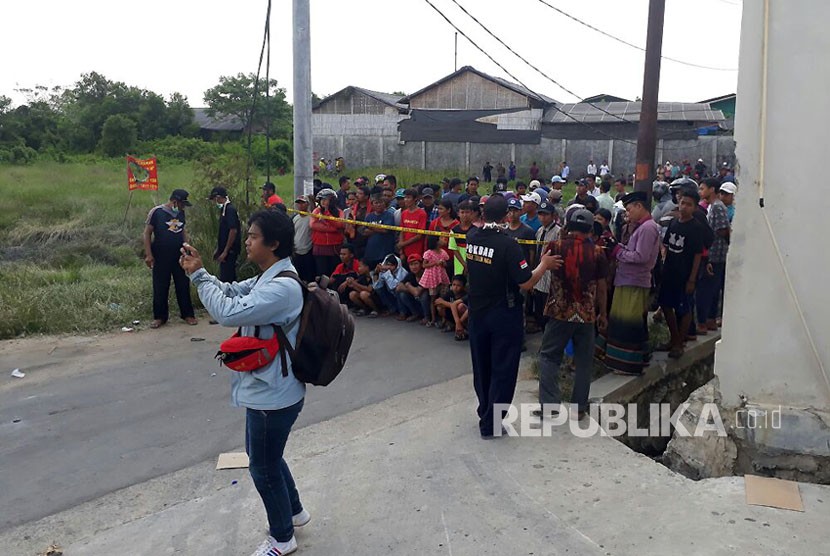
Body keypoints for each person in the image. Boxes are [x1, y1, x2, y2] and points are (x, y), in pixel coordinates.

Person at [179, 210, 309, 556]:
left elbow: (228, 313)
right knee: (267, 457)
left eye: (252, 236)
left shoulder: (281, 288)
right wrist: (203, 273)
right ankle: (294, 512)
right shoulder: (269, 277)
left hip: (273, 395)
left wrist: (197, 278)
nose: (247, 242)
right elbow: (232, 292)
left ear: (274, 243)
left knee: (263, 467)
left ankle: (282, 538)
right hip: (269, 388)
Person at [465, 196, 563, 438]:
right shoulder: (507, 245)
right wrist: (544, 264)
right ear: (507, 216)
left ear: (482, 214)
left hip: (477, 313)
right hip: (502, 314)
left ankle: (485, 412)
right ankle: (491, 424)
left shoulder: (471, 238)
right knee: (503, 369)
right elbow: (527, 281)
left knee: (483, 366)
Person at [536, 208, 609, 420]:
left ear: (568, 225)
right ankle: (578, 408)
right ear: (590, 229)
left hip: (559, 311)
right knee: (584, 361)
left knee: (549, 356)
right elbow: (602, 286)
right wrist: (602, 313)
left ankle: (549, 407)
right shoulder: (597, 252)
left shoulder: (555, 246)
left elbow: (543, 266)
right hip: (586, 314)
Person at [598, 191, 661, 376]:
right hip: (627, 279)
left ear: (639, 207)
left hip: (635, 281)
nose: (628, 214)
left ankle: (628, 365)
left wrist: (617, 251)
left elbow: (641, 256)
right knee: (626, 321)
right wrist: (617, 246)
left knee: (628, 323)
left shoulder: (648, 228)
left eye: (629, 209)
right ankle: (630, 359)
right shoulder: (642, 227)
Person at [656, 188, 705, 358]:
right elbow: (666, 244)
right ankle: (674, 338)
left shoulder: (695, 228)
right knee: (667, 305)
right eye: (682, 203)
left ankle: (679, 342)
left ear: (695, 208)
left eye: (688, 205)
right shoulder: (674, 223)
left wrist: (692, 278)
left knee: (684, 308)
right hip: (670, 272)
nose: (684, 207)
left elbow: (698, 254)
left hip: (685, 274)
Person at [143, 189, 197, 329]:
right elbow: (147, 233)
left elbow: (183, 231)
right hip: (160, 255)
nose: (183, 207)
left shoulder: (180, 213)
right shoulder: (156, 212)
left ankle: (187, 314)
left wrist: (187, 248)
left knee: (183, 284)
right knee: (160, 285)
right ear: (175, 201)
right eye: (182, 204)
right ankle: (160, 317)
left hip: (179, 255)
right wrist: (149, 254)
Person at [696, 178, 731, 333]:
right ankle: (710, 320)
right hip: (714, 253)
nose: (700, 191)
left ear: (711, 189)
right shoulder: (712, 206)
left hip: (715, 254)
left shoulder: (717, 207)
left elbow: (723, 230)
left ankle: (703, 321)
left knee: (706, 289)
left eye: (702, 188)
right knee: (712, 288)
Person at [531, 201, 562, 331]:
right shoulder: (539, 231)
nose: (543, 218)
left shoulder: (558, 232)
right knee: (538, 305)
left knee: (548, 306)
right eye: (540, 215)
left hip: (550, 274)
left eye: (546, 215)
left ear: (553, 216)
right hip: (539, 273)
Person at [207, 187, 241, 283]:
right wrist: (219, 249)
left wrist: (225, 251)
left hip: (230, 252)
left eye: (214, 199)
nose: (214, 202)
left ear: (218, 197)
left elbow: (233, 230)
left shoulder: (230, 210)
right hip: (224, 250)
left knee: (228, 279)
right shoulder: (224, 210)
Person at [310, 188, 345, 279]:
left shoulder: (339, 212)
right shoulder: (316, 211)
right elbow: (313, 225)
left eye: (326, 200)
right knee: (322, 273)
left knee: (334, 273)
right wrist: (333, 229)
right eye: (322, 200)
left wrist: (327, 214)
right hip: (320, 247)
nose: (323, 202)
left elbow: (340, 224)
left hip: (335, 248)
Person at [419, 235, 451, 326]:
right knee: (433, 298)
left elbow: (447, 263)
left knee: (443, 297)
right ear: (436, 242)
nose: (443, 240)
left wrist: (443, 264)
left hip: (441, 276)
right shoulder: (428, 253)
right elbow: (424, 265)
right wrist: (435, 263)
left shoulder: (443, 252)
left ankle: (444, 318)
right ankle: (433, 319)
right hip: (432, 277)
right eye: (440, 238)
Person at [361, 195, 396, 270]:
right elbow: (364, 232)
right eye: (376, 203)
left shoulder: (389, 215)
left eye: (381, 202)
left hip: (384, 252)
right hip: (371, 252)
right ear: (372, 205)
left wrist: (372, 228)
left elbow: (386, 230)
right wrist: (378, 228)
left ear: (384, 203)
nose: (379, 205)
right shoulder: (369, 216)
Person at [398, 188, 428, 264]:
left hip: (417, 251)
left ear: (415, 199)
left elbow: (419, 235)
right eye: (405, 197)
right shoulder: (404, 213)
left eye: (408, 197)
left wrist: (403, 244)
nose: (406, 200)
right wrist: (401, 251)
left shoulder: (422, 213)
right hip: (405, 251)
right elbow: (402, 231)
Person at [435, 275, 470, 340]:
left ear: (463, 287)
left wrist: (445, 303)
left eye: (458, 285)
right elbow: (438, 301)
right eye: (454, 285)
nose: (455, 287)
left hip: (463, 318)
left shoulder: (465, 295)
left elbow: (462, 307)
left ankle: (463, 328)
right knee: (439, 307)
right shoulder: (450, 293)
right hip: (453, 315)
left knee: (460, 306)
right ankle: (450, 323)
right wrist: (447, 304)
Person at [290, 195, 315, 283]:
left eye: (303, 203)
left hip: (307, 250)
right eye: (299, 203)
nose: (300, 205)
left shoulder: (311, 218)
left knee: (308, 276)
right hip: (296, 251)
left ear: (307, 204)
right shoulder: (295, 218)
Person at [396, 254, 427, 322]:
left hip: (427, 304)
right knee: (402, 294)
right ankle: (414, 313)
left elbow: (417, 293)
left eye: (416, 264)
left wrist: (408, 285)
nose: (414, 267)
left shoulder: (426, 274)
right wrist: (410, 289)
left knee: (424, 295)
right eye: (411, 264)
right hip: (417, 302)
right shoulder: (410, 275)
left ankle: (427, 317)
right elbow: (398, 287)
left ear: (421, 264)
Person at [449, 200, 476, 276]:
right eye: (462, 212)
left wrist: (468, 264)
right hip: (459, 266)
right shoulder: (454, 231)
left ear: (472, 213)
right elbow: (454, 249)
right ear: (458, 214)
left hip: (473, 265)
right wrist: (464, 264)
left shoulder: (476, 231)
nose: (465, 215)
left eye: (467, 212)